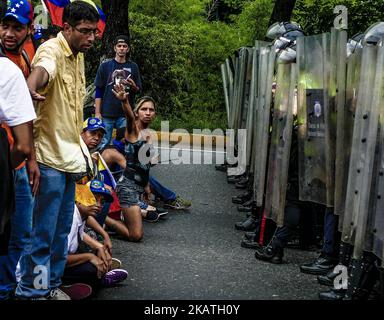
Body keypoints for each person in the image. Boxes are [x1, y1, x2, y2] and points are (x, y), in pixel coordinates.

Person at [15, 1, 100, 300]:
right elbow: (41, 72)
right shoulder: (51, 50)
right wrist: (30, 85)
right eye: (85, 32)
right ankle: (32, 292)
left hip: (70, 160)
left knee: (61, 233)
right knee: (42, 235)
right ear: (66, 28)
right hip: (48, 161)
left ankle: (50, 286)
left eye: (93, 32)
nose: (91, 38)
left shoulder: (79, 56)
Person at [0, 0, 41, 299]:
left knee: (22, 232)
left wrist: (31, 159)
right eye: (5, 26)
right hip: (8, 164)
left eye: (17, 27)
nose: (10, 33)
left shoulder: (24, 60)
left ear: (28, 30)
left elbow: (26, 125)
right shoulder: (7, 66)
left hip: (15, 162)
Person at [63, 179, 128, 292]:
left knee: (94, 256)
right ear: (79, 199)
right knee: (91, 270)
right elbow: (58, 259)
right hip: (44, 271)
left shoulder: (80, 215)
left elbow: (84, 228)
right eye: (93, 198)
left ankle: (98, 276)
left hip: (56, 265)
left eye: (101, 201)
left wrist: (99, 246)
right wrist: (90, 257)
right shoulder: (71, 218)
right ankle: (61, 287)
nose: (98, 205)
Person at [94, 34, 141, 150]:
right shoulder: (105, 66)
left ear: (128, 49)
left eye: (124, 46)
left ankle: (122, 166)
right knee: (103, 142)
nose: (121, 48)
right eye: (119, 46)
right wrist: (97, 113)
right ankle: (102, 166)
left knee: (125, 142)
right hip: (107, 112)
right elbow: (98, 90)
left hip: (125, 113)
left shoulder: (133, 67)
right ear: (114, 48)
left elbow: (138, 90)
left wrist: (134, 86)